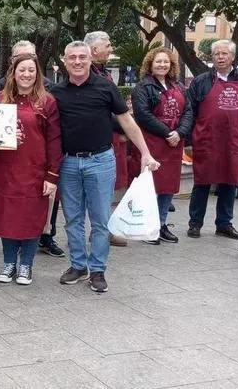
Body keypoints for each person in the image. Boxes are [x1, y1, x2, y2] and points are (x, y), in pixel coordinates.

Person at [51, 41, 159, 293]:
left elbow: (127, 121)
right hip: (68, 163)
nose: (77, 62)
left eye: (82, 57)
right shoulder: (56, 93)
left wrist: (145, 152)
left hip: (99, 161)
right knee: (73, 220)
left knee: (100, 221)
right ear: (64, 61)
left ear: (90, 60)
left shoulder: (106, 87)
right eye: (72, 58)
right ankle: (78, 265)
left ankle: (97, 270)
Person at [0, 53, 61, 285]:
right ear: (13, 73)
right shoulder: (0, 98)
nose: (26, 74)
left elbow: (54, 140)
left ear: (37, 74)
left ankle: (26, 265)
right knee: (6, 216)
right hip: (5, 169)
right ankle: (9, 263)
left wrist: (52, 175)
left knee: (31, 218)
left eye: (31, 70)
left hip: (35, 170)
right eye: (22, 70)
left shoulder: (47, 101)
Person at [186, 40, 238, 240]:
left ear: (233, 57)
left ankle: (224, 224)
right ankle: (195, 223)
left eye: (224, 53)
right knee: (202, 181)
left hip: (235, 140)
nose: (220, 57)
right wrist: (188, 141)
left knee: (231, 181)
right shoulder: (200, 81)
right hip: (206, 139)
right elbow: (189, 112)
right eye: (216, 54)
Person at [132, 48, 194, 245]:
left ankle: (161, 223)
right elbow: (143, 115)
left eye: (166, 62)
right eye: (158, 61)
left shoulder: (179, 86)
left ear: (171, 65)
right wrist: (167, 133)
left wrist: (180, 133)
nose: (162, 65)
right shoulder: (143, 87)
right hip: (153, 143)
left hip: (174, 145)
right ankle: (147, 227)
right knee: (151, 187)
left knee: (168, 187)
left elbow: (188, 112)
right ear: (150, 64)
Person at [83, 31, 129, 247]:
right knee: (94, 192)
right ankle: (98, 231)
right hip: (94, 140)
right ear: (94, 49)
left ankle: (102, 230)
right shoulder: (86, 73)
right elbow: (101, 110)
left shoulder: (102, 72)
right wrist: (124, 125)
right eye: (108, 45)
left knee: (105, 190)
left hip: (108, 139)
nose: (111, 49)